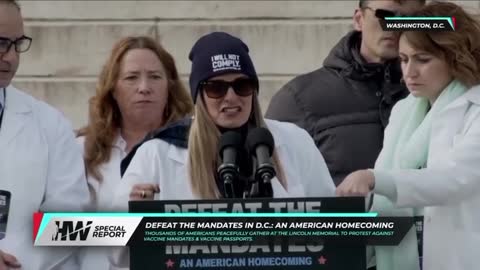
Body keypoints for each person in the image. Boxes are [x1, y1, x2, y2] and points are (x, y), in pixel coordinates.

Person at [110, 32, 336, 267]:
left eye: (242, 85)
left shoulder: (294, 141)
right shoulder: (157, 153)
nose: (231, 97)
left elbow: (332, 226)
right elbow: (114, 251)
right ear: (199, 95)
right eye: (216, 88)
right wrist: (136, 219)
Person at [336, 2, 480, 270]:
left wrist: (375, 179)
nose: (409, 72)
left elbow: (453, 178)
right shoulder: (404, 110)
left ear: (455, 56)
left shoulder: (476, 110)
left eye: (423, 59)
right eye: (403, 59)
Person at [265, 0, 424, 186]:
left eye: (408, 19)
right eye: (385, 15)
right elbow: (276, 189)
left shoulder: (437, 93)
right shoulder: (298, 99)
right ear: (359, 19)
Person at [76, 36, 193, 270]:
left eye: (155, 77)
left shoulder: (194, 148)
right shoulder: (81, 150)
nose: (144, 88)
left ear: (169, 86)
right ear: (113, 89)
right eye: (131, 78)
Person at [0, 0, 90, 269]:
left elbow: (68, 218)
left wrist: (10, 260)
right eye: (1, 42)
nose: (12, 57)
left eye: (18, 44)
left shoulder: (50, 125)